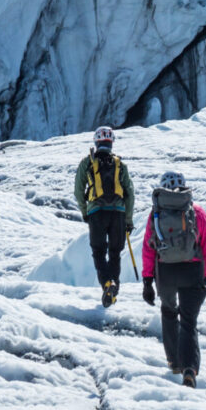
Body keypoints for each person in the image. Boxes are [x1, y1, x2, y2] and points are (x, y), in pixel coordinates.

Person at [141, 170, 206, 388]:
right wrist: (204, 276)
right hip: (192, 271)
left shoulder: (155, 214)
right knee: (189, 322)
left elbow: (148, 249)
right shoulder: (197, 212)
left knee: (169, 312)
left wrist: (147, 281)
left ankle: (174, 361)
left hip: (166, 273)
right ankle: (189, 369)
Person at [74, 126, 135, 307]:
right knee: (115, 253)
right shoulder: (119, 164)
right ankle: (114, 286)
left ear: (96, 142)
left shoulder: (87, 162)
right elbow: (130, 193)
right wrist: (128, 220)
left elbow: (78, 190)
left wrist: (85, 212)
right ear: (111, 142)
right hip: (118, 213)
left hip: (96, 213)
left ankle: (107, 284)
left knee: (99, 252)